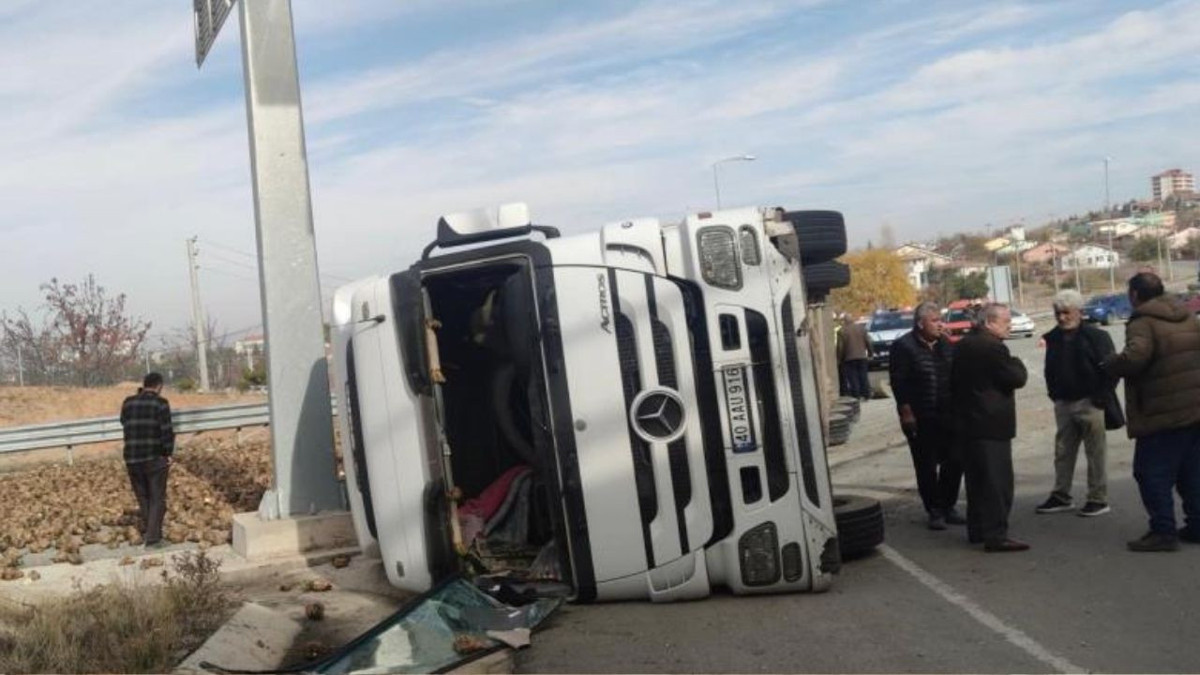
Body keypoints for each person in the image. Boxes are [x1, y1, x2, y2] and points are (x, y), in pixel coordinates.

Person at [1102, 272, 1200, 552]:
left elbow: (1135, 357)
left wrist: (1112, 363)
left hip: (1161, 412)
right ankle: (1197, 525)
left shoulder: (1143, 322)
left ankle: (1163, 531)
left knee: (1150, 473)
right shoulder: (1187, 317)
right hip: (1194, 408)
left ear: (1134, 295)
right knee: (1191, 472)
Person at [951, 303, 1029, 552]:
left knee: (977, 481)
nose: (1010, 326)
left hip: (968, 422)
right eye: (1005, 322)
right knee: (997, 483)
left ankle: (977, 530)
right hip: (991, 423)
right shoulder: (993, 348)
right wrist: (1017, 362)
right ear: (989, 322)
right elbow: (1016, 378)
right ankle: (996, 534)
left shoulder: (964, 344)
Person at [1036, 289, 1116, 517]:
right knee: (1063, 451)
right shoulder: (1053, 338)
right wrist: (1054, 395)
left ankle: (1098, 498)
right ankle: (1061, 495)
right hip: (1064, 402)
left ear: (1079, 312)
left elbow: (1112, 369)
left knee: (1095, 453)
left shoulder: (1097, 337)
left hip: (1091, 402)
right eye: (1058, 313)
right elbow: (1050, 369)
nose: (1062, 318)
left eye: (1066, 312)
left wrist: (1100, 397)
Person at [889, 302, 964, 530]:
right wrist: (906, 413)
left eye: (941, 320)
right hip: (921, 416)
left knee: (955, 460)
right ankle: (934, 510)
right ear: (921, 323)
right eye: (935, 320)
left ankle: (948, 505)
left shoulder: (945, 344)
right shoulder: (903, 346)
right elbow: (898, 383)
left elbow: (956, 373)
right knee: (926, 465)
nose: (940, 324)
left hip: (948, 413)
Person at [120, 372, 175, 549]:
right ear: (159, 386)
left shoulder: (128, 403)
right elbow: (166, 430)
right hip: (154, 457)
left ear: (144, 385)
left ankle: (150, 532)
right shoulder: (161, 403)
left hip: (132, 457)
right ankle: (153, 538)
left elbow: (124, 422)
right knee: (157, 497)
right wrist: (168, 453)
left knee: (143, 497)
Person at [837, 314, 873, 401]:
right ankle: (866, 394)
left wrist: (839, 358)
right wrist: (870, 353)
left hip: (849, 358)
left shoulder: (842, 331)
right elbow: (868, 341)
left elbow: (840, 347)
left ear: (844, 321)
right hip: (862, 356)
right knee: (863, 376)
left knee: (853, 377)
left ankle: (856, 395)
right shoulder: (861, 329)